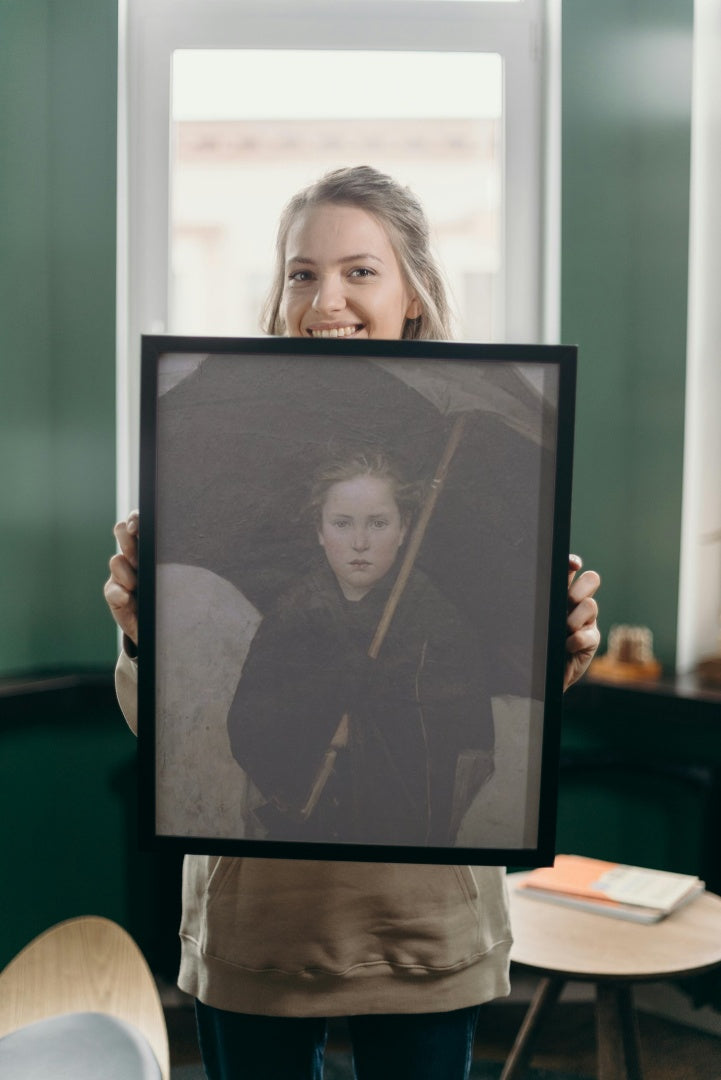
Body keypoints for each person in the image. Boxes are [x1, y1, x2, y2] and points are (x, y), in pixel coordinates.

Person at [105, 165, 601, 1080]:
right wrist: (146, 637)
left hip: (420, 924)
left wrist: (555, 647)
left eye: (359, 271)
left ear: (412, 291)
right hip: (260, 919)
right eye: (301, 272)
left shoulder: (453, 582)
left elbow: (476, 730)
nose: (324, 298)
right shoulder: (220, 466)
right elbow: (188, 733)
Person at [227, 447, 495, 847]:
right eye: (341, 524)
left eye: (378, 523)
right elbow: (248, 722)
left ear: (404, 529)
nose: (359, 542)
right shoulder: (292, 614)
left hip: (403, 841)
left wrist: (372, 718)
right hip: (302, 839)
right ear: (319, 532)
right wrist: (321, 724)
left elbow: (468, 736)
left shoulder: (437, 619)